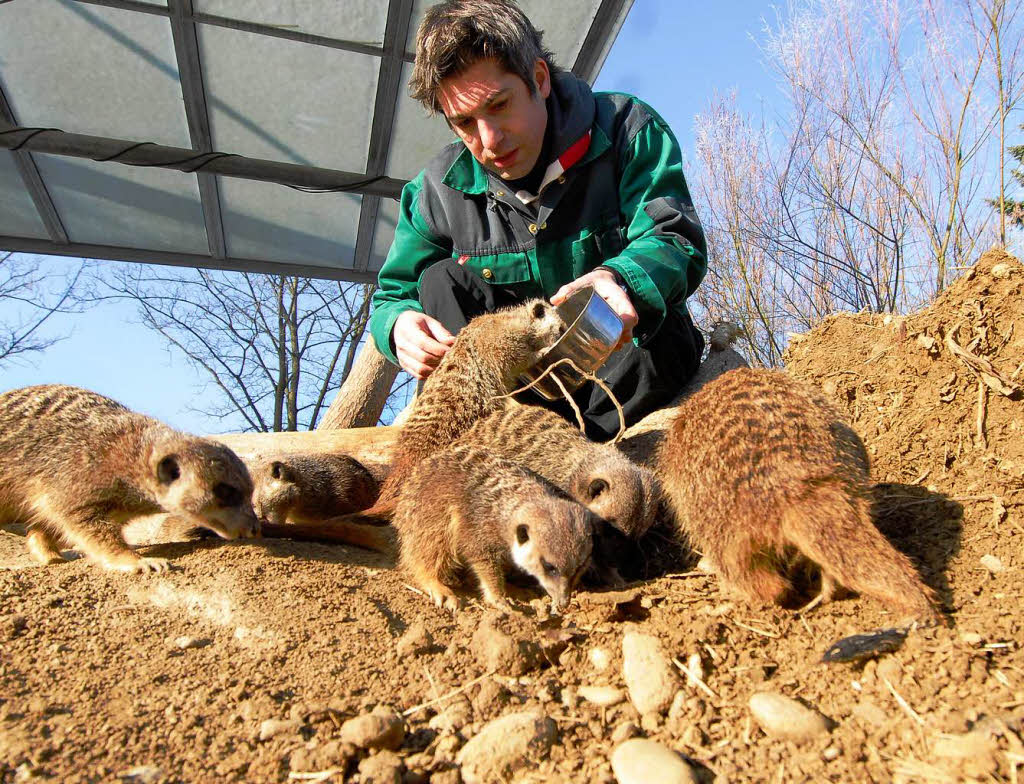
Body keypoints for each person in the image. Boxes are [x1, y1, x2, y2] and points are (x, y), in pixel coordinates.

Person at [369, 0, 707, 440]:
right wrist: (397, 327)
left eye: (500, 105)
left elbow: (673, 236)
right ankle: (499, 442)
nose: (489, 140)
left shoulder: (628, 128)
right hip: (516, 400)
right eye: (465, 122)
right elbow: (394, 294)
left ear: (540, 79)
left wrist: (619, 279)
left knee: (654, 329)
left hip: (627, 368)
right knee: (437, 282)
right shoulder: (434, 192)